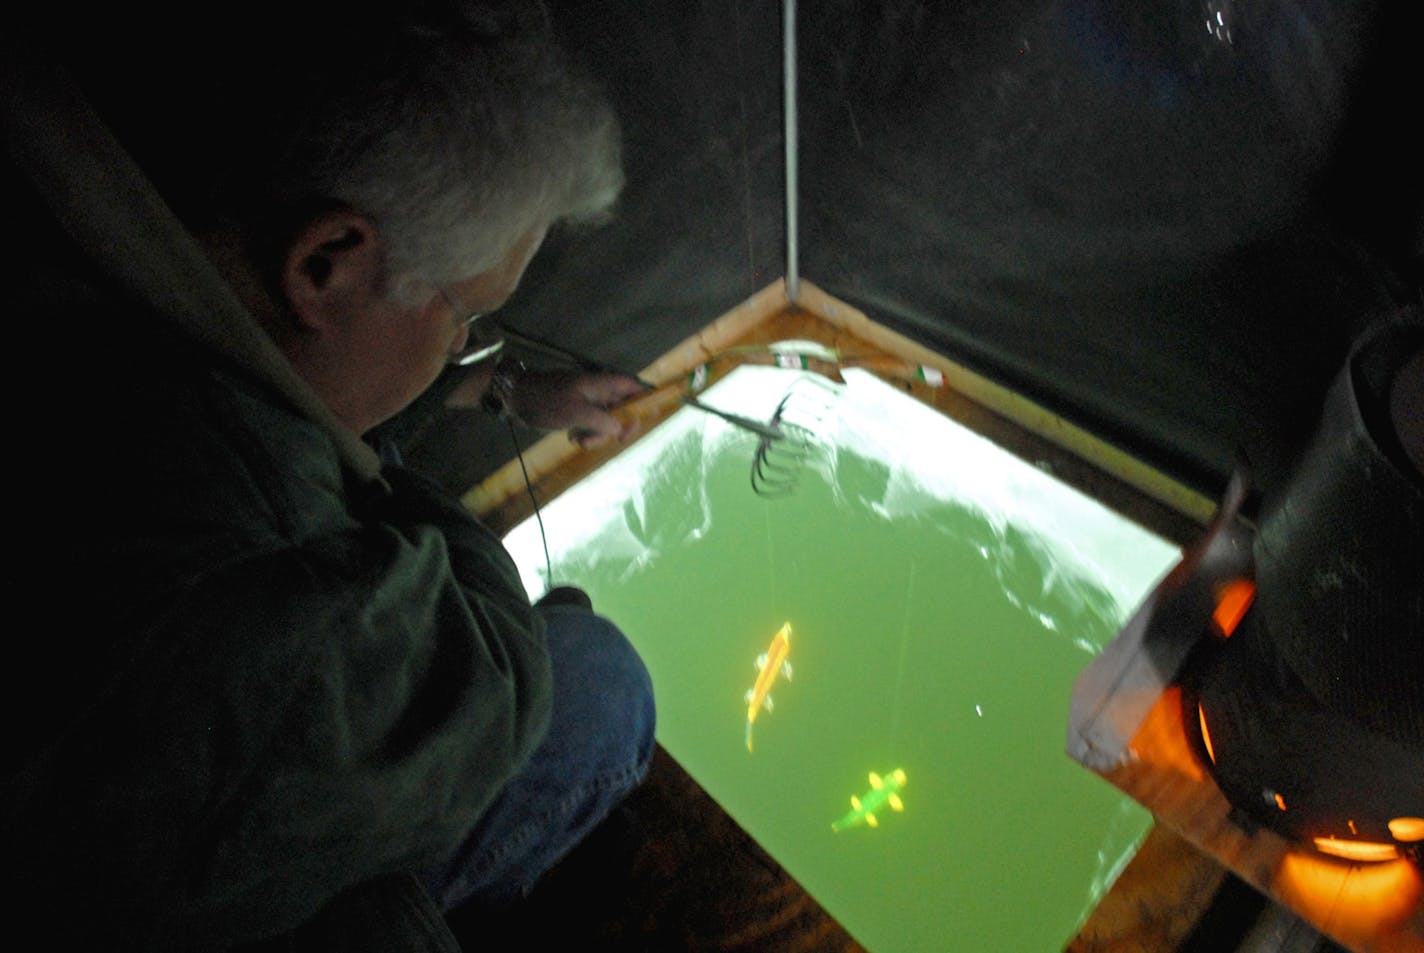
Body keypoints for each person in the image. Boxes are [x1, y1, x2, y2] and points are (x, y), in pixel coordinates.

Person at [2, 3, 654, 950]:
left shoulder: (89, 197)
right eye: (469, 315)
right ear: (327, 264)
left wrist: (500, 389)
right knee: (597, 677)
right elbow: (494, 681)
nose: (463, 345)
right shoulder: (243, 573)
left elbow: (332, 392)